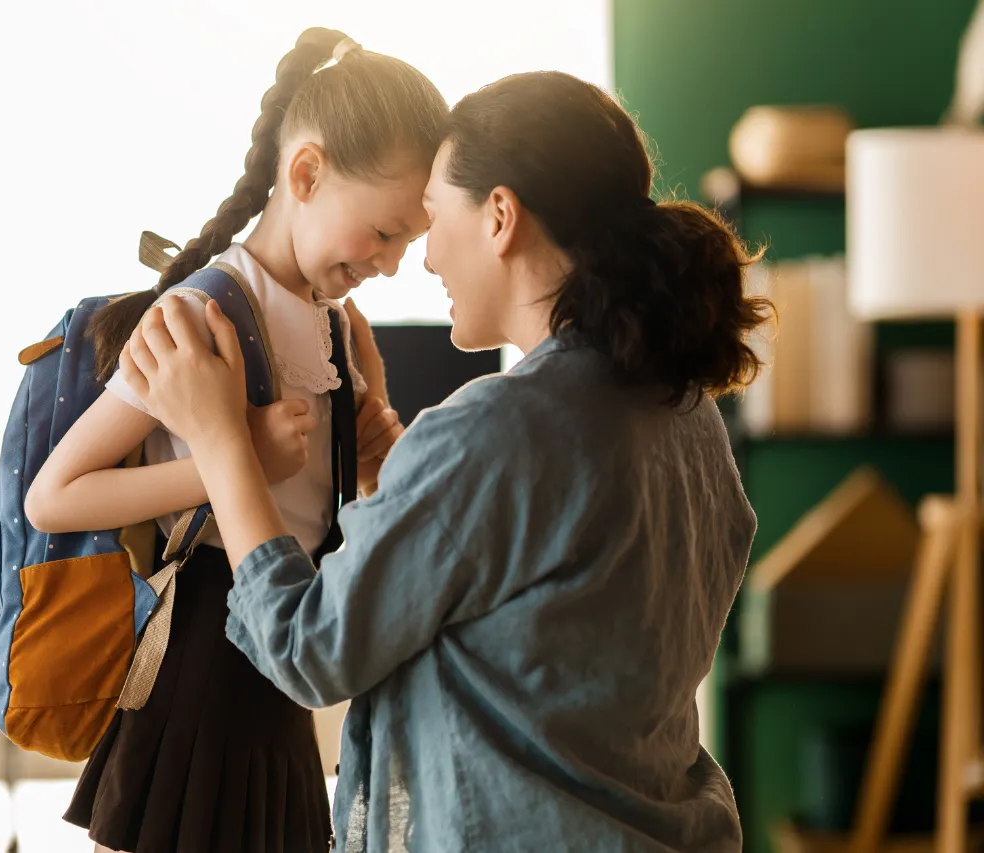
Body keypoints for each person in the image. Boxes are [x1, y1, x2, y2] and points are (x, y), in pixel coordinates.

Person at [118, 70, 770, 852]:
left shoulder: (493, 429)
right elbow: (551, 616)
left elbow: (307, 646)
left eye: (431, 217)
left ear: (500, 216)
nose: (421, 260)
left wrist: (221, 440)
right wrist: (400, 478)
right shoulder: (688, 416)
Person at [21, 27, 448, 853]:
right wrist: (233, 460)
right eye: (384, 232)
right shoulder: (198, 317)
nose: (394, 263)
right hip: (195, 673)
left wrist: (373, 439)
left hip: (279, 666)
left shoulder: (334, 326)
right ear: (306, 174)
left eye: (409, 242)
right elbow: (55, 496)